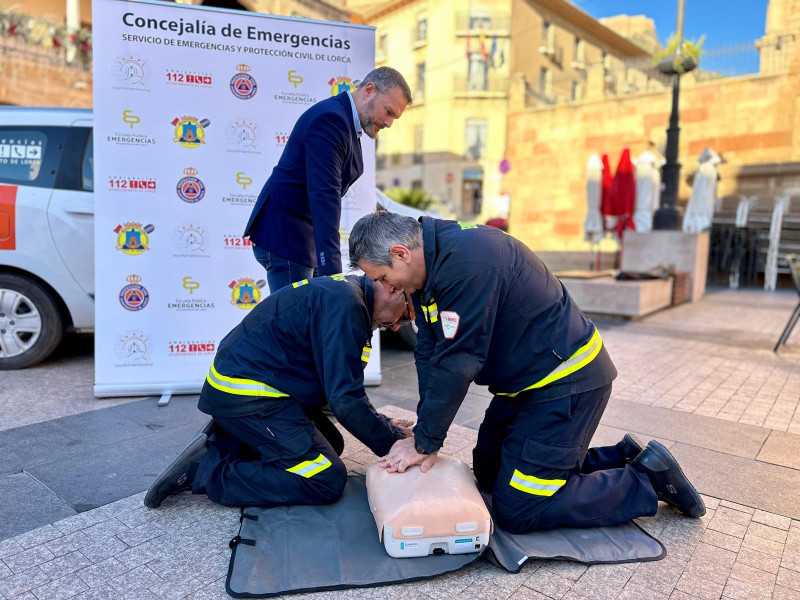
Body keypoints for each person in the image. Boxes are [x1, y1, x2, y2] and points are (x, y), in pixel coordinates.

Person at [348, 211, 705, 533]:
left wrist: (425, 442)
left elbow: (459, 361)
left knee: (520, 508)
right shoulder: (431, 270)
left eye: (383, 277)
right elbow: (430, 355)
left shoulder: (468, 263)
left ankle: (646, 481)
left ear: (400, 253)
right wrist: (423, 433)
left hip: (565, 383)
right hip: (523, 387)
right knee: (488, 471)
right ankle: (617, 456)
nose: (388, 289)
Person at [144, 273, 414, 509]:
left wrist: (385, 425)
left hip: (261, 386)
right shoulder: (347, 307)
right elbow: (344, 400)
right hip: (248, 394)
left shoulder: (349, 295)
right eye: (405, 314)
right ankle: (210, 471)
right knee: (325, 479)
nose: (399, 325)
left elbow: (338, 387)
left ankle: (231, 440)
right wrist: (396, 446)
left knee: (333, 444)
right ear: (394, 288)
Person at [244, 67, 412, 293]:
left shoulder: (345, 122)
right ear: (369, 90)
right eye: (388, 112)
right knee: (297, 324)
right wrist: (333, 275)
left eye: (395, 118)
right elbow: (324, 195)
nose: (389, 123)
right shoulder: (332, 119)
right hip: (287, 236)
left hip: (298, 237)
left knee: (305, 321)